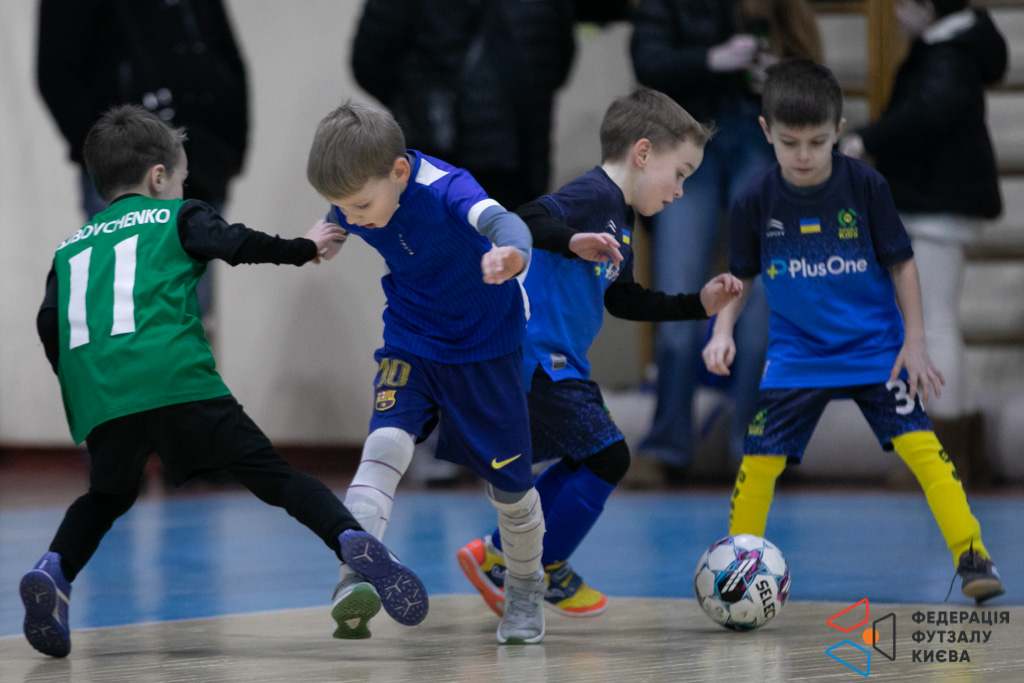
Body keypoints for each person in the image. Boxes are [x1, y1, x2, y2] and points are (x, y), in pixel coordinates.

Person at [20, 106, 427, 659]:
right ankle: (351, 539)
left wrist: (84, 387)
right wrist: (304, 247)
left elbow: (50, 324)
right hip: (178, 383)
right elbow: (234, 243)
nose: (181, 188)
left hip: (105, 398)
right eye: (181, 178)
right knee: (277, 478)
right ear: (158, 177)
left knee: (106, 496)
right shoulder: (175, 216)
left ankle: (54, 569)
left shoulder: (69, 251)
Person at [702, 60, 1005, 604]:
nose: (803, 155)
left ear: (839, 130)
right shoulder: (754, 199)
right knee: (758, 461)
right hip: (797, 357)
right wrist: (722, 330)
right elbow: (740, 277)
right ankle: (741, 566)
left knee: (926, 452)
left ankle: (973, 555)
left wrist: (915, 341)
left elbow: (903, 265)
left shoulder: (865, 186)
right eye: (790, 142)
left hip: (875, 352)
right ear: (766, 131)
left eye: (817, 142)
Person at [456, 88, 744, 618]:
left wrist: (698, 305)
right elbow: (523, 219)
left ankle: (503, 554)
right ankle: (536, 564)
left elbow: (623, 299)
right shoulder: (593, 195)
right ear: (643, 153)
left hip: (556, 363)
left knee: (588, 457)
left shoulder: (620, 216)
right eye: (680, 173)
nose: (680, 191)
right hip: (538, 358)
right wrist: (570, 240)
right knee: (610, 457)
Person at [306, 103, 547, 644]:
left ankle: (525, 587)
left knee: (510, 491)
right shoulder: (359, 194)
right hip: (411, 337)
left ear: (398, 172)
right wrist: (322, 237)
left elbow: (503, 221)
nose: (356, 217)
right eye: (347, 207)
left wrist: (514, 252)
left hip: (486, 346)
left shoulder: (446, 187)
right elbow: (338, 217)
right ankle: (355, 573)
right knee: (384, 446)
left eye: (362, 206)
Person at [629, 0, 822, 480]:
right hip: (686, 139)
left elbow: (814, 78)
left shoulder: (780, 9)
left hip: (757, 137)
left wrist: (781, 79)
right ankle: (668, 445)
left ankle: (755, 448)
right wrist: (713, 60)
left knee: (761, 304)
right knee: (677, 296)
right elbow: (649, 63)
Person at [840, 0, 1007, 484]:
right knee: (937, 320)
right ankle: (959, 448)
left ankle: (942, 452)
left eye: (904, 3)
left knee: (932, 324)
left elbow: (926, 115)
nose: (894, 12)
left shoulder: (947, 56)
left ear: (929, 9)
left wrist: (868, 139)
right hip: (939, 203)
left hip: (937, 206)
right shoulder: (951, 50)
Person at [37, 0, 249, 317]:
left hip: (201, 164)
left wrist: (230, 149)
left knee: (190, 314)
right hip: (125, 174)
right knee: (129, 314)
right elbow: (56, 73)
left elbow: (225, 53)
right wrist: (110, 158)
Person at [349, 0, 575, 212]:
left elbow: (370, 62)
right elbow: (557, 63)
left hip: (440, 161)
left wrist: (419, 104)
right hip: (518, 158)